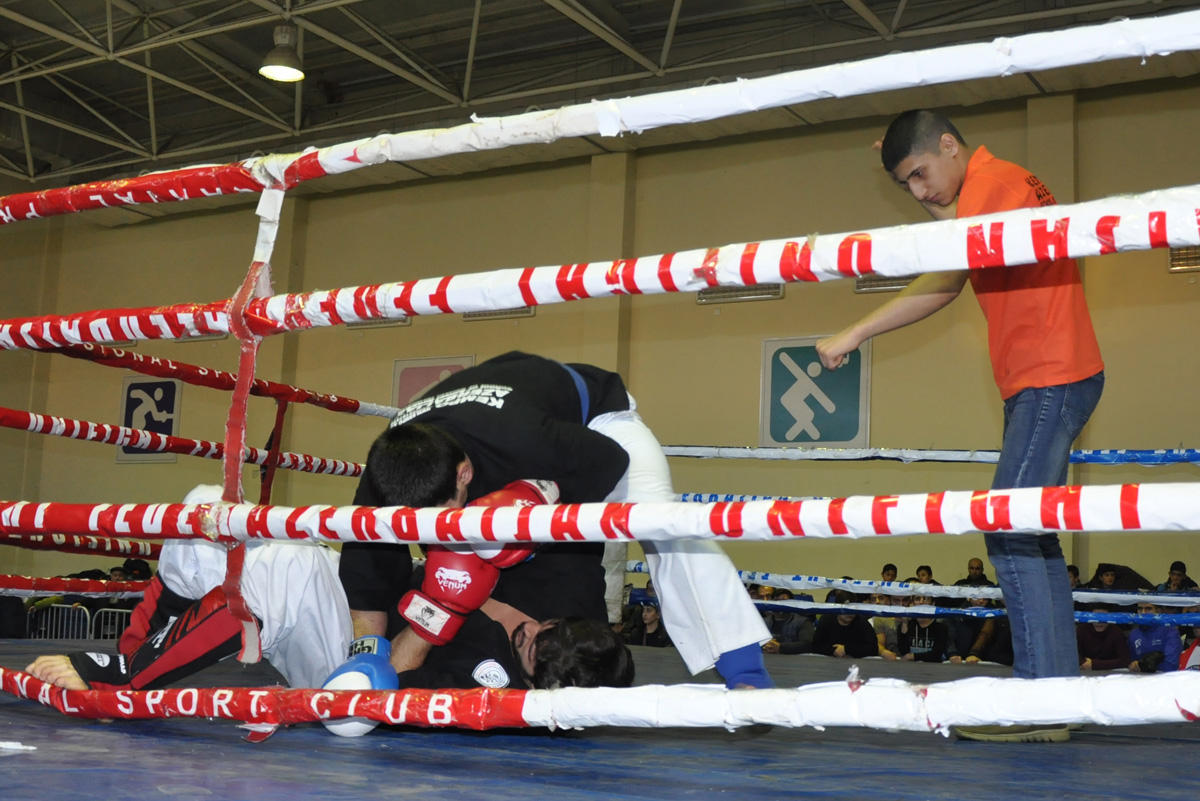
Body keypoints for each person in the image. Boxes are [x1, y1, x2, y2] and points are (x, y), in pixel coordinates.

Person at [817, 110, 1104, 700]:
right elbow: (955, 231)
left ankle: (1039, 697)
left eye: (921, 173)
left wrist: (854, 332)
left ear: (951, 145)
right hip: (1046, 379)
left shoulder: (994, 190)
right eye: (908, 185)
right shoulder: (1000, 184)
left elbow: (945, 280)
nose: (921, 192)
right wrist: (913, 164)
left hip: (1050, 381)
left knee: (1006, 530)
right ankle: (1058, 690)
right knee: (1029, 534)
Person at [341, 351, 771, 689]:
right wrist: (369, 660)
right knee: (460, 548)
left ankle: (743, 667)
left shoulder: (526, 440)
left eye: (443, 512)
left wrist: (531, 502)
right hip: (493, 412)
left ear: (465, 474)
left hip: (595, 422)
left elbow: (609, 462)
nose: (441, 527)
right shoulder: (387, 470)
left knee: (659, 518)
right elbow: (367, 576)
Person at [812, 590, 878, 658]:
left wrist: (846, 649)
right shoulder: (826, 620)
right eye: (845, 609)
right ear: (837, 608)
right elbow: (815, 646)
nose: (850, 613)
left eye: (853, 609)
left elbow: (873, 649)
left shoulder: (862, 622)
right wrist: (833, 650)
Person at [1128, 602, 1182, 673]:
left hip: (1165, 680)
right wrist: (1135, 665)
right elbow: (1133, 664)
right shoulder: (1134, 634)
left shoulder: (1170, 631)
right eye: (1140, 609)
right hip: (1140, 679)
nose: (1143, 613)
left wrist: (1142, 665)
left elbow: (1170, 666)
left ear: (1158, 611)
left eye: (1148, 609)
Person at [1076, 604, 1131, 671]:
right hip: (1085, 670)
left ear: (1110, 617)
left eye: (1103, 617)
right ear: (1090, 617)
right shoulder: (1081, 630)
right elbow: (1073, 653)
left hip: (1110, 674)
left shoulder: (1116, 632)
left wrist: (1094, 664)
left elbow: (1125, 660)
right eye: (1095, 617)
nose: (1099, 622)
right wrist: (1083, 663)